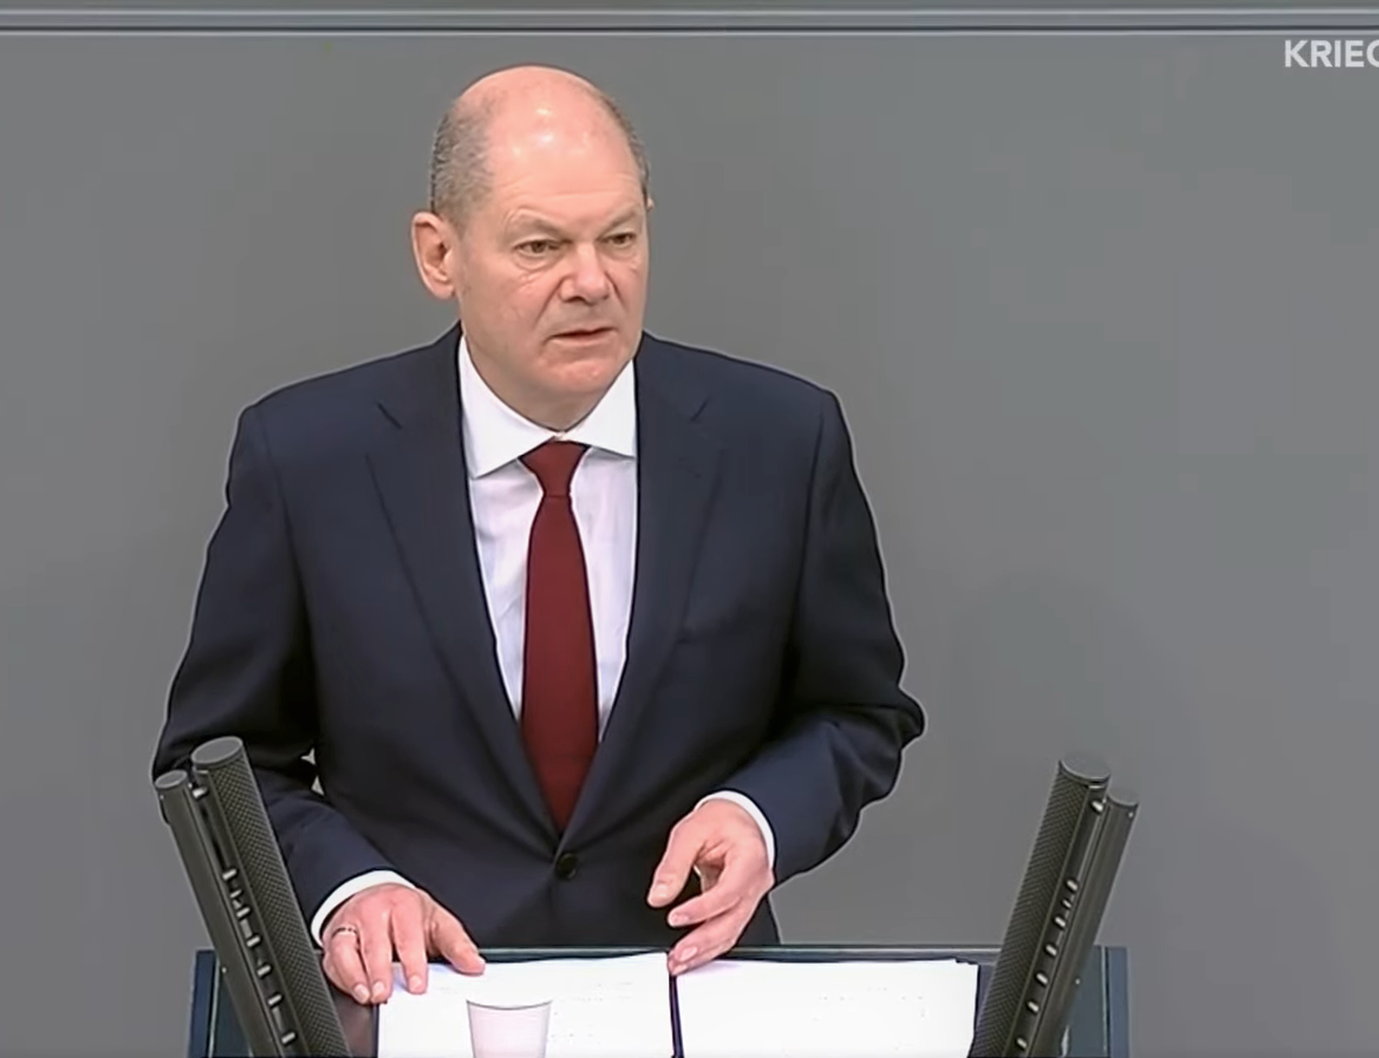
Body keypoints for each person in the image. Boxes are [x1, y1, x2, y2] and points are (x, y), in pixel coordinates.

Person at [152, 64, 924, 1008]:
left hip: (688, 996)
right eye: (540, 246)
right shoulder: (309, 460)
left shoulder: (781, 442)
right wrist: (348, 887)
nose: (591, 282)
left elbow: (858, 712)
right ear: (439, 255)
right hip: (420, 1001)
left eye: (620, 238)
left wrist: (759, 817)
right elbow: (216, 760)